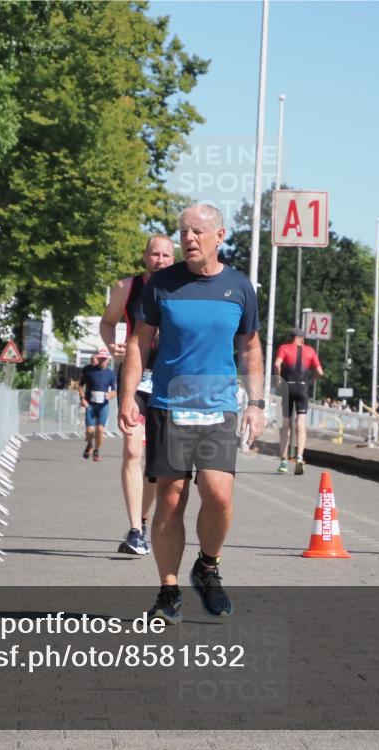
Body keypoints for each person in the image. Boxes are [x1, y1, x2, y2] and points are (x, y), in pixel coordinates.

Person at [118, 203, 265, 625]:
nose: (189, 239)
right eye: (183, 231)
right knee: (171, 499)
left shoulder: (239, 287)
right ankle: (168, 591)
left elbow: (250, 347)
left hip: (218, 406)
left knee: (219, 495)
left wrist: (255, 404)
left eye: (198, 231)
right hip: (168, 404)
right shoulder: (161, 284)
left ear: (220, 236)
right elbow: (137, 343)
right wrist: (128, 395)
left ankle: (207, 566)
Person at [99, 235, 177, 555]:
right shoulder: (126, 287)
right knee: (133, 449)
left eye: (166, 255)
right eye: (155, 254)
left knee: (157, 467)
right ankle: (134, 530)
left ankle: (142, 520)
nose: (160, 259)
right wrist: (112, 346)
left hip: (169, 378)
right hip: (135, 375)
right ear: (145, 256)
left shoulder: (184, 289)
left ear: (174, 259)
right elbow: (107, 322)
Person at [273, 328, 323, 476]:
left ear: (293, 338)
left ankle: (283, 461)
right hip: (302, 388)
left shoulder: (284, 348)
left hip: (288, 388)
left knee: (286, 425)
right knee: (301, 424)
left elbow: (277, 364)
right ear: (302, 339)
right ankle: (300, 457)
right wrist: (311, 379)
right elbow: (320, 372)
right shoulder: (310, 351)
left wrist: (278, 378)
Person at [78, 351, 116, 461]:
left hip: (103, 405)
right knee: (90, 431)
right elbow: (80, 386)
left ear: (108, 360)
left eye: (104, 359)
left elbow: (114, 391)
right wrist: (82, 399)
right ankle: (90, 444)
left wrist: (110, 395)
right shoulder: (89, 371)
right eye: (100, 358)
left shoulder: (110, 374)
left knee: (100, 429)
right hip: (90, 404)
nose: (102, 360)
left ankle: (96, 450)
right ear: (98, 359)